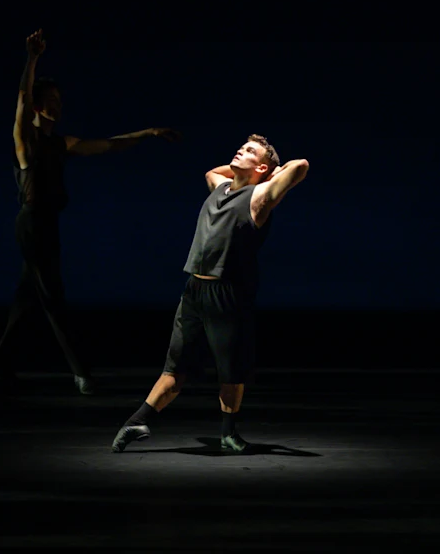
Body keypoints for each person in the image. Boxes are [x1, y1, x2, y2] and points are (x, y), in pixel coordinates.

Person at [0, 29, 181, 394]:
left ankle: (0, 362)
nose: (58, 105)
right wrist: (32, 59)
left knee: (29, 294)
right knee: (52, 295)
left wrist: (149, 132)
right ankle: (81, 373)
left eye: (60, 100)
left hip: (48, 224)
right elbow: (20, 97)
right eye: (51, 100)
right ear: (37, 105)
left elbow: (108, 145)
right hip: (31, 224)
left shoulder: (61, 143)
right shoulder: (26, 141)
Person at [111, 135, 309, 452]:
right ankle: (138, 420)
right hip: (194, 290)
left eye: (249, 151)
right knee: (175, 367)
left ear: (262, 167)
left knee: (230, 369)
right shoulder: (220, 187)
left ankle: (229, 433)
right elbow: (210, 172)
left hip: (228, 293)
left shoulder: (260, 197)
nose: (240, 150)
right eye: (241, 146)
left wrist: (268, 173)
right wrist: (247, 165)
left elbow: (300, 166)